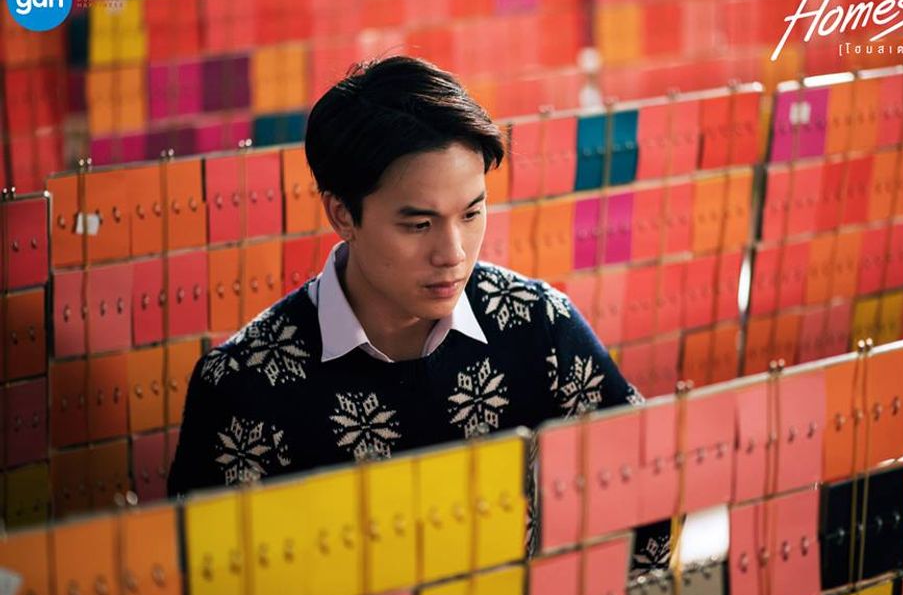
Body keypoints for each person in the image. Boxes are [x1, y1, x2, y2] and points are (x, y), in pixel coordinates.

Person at [167, 56, 642, 497]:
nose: (453, 254)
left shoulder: (539, 326)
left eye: (471, 214)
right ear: (342, 215)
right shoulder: (243, 387)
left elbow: (645, 494)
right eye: (419, 225)